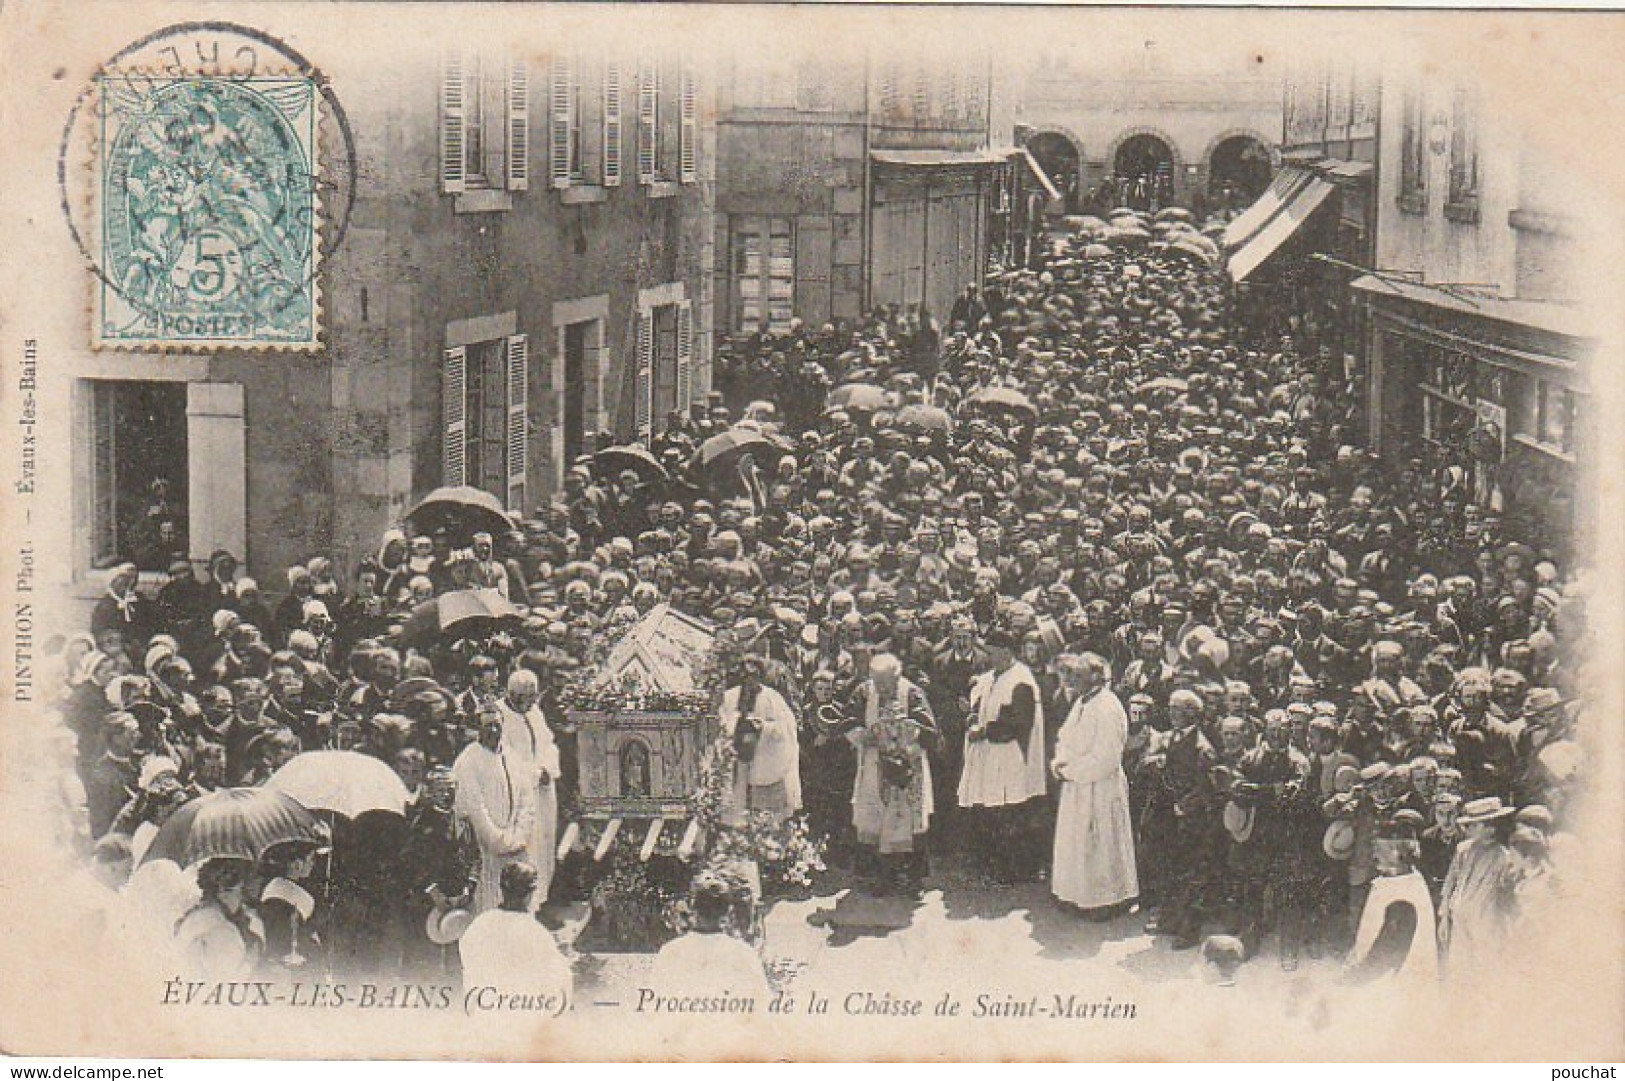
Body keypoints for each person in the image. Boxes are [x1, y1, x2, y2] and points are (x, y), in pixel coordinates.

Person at [1049, 652, 1138, 918]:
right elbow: (1065, 738)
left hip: (1100, 786)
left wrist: (1072, 772)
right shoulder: (1082, 702)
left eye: (1079, 674)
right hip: (1076, 785)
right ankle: (1076, 895)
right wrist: (1060, 764)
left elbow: (1106, 757)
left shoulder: (1108, 707)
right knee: (1077, 844)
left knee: (1100, 845)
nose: (1071, 679)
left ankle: (1106, 902)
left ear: (1097, 677)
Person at [958, 624, 1048, 883]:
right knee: (991, 811)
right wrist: (972, 716)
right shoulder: (991, 676)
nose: (988, 657)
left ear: (1007, 653)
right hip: (990, 756)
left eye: (993, 652)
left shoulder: (1021, 681)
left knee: (1010, 813)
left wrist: (983, 731)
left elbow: (1017, 724)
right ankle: (993, 867)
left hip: (1011, 756)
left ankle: (1013, 873)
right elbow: (980, 706)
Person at [848, 653, 935, 891]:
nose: (881, 689)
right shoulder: (865, 692)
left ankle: (911, 878)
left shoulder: (912, 693)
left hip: (908, 766)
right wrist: (860, 735)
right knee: (875, 818)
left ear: (897, 676)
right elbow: (850, 721)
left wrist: (906, 740)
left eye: (886, 683)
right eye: (877, 682)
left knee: (908, 819)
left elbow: (929, 730)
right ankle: (879, 877)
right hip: (873, 762)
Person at [451, 704, 537, 914]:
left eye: (497, 725)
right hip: (486, 851)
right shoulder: (467, 761)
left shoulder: (512, 757)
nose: (494, 731)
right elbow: (474, 809)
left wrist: (519, 836)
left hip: (517, 848)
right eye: (488, 726)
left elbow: (528, 800)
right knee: (488, 910)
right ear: (477, 729)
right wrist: (500, 841)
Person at [458, 861, 573, 1005]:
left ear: (501, 890)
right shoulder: (537, 933)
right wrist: (564, 958)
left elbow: (467, 962)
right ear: (530, 894)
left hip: (483, 1006)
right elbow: (558, 983)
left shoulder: (480, 924)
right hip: (519, 1010)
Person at [648, 872, 773, 1003]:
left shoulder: (671, 952)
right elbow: (761, 1006)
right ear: (728, 911)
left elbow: (654, 1006)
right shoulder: (744, 954)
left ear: (691, 908)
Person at [494, 670, 561, 908]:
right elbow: (504, 754)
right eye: (525, 697)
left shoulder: (535, 712)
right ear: (511, 694)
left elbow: (548, 744)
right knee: (526, 845)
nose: (530, 702)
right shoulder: (499, 715)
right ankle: (523, 904)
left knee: (545, 845)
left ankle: (540, 899)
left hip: (543, 790)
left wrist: (546, 768)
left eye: (533, 697)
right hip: (520, 791)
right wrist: (533, 774)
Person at [1437, 795, 1519, 980]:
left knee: (1484, 969)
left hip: (1485, 921)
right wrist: (1444, 917)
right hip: (1459, 918)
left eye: (1475, 825)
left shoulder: (1502, 857)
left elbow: (1505, 895)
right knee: (1459, 969)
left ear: (1490, 828)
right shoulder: (1463, 850)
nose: (1469, 829)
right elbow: (1450, 882)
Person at [718, 654, 801, 827]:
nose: (749, 681)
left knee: (765, 818)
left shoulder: (773, 699)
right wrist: (734, 725)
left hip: (764, 762)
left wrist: (764, 727)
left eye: (754, 677)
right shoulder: (729, 698)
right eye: (746, 677)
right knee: (735, 810)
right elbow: (719, 726)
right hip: (736, 762)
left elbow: (787, 729)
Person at [173, 858, 264, 979]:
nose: (241, 901)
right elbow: (228, 981)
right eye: (240, 893)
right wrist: (250, 961)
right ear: (223, 893)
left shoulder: (197, 915)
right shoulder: (222, 928)